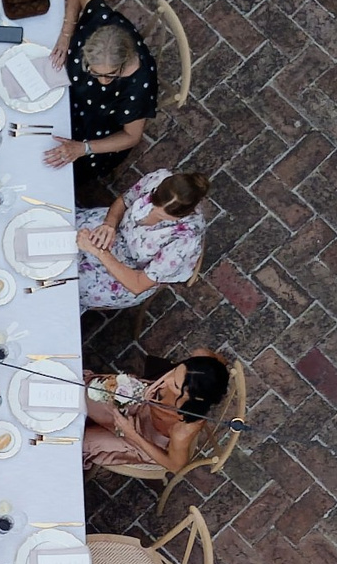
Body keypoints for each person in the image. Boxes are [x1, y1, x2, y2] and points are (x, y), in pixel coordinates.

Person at [41, 0, 159, 195]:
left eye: (111, 75)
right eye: (93, 72)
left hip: (94, 131)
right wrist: (66, 33)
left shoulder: (139, 87)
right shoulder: (100, 20)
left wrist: (83, 148)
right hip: (65, 95)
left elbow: (132, 137)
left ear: (126, 59)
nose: (103, 82)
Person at [78, 168, 209, 318]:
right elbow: (124, 200)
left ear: (181, 215)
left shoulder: (185, 240)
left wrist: (99, 252)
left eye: (160, 215)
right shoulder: (159, 177)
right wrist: (109, 223)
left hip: (129, 273)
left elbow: (138, 284)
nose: (152, 210)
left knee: (65, 283)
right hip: (115, 230)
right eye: (153, 202)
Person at [84, 349, 233, 481]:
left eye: (175, 384)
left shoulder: (184, 428)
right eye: (175, 372)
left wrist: (132, 434)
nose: (164, 381)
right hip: (140, 405)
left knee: (83, 441)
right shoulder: (200, 361)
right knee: (84, 391)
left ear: (193, 398)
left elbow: (175, 467)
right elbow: (210, 357)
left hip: (143, 438)